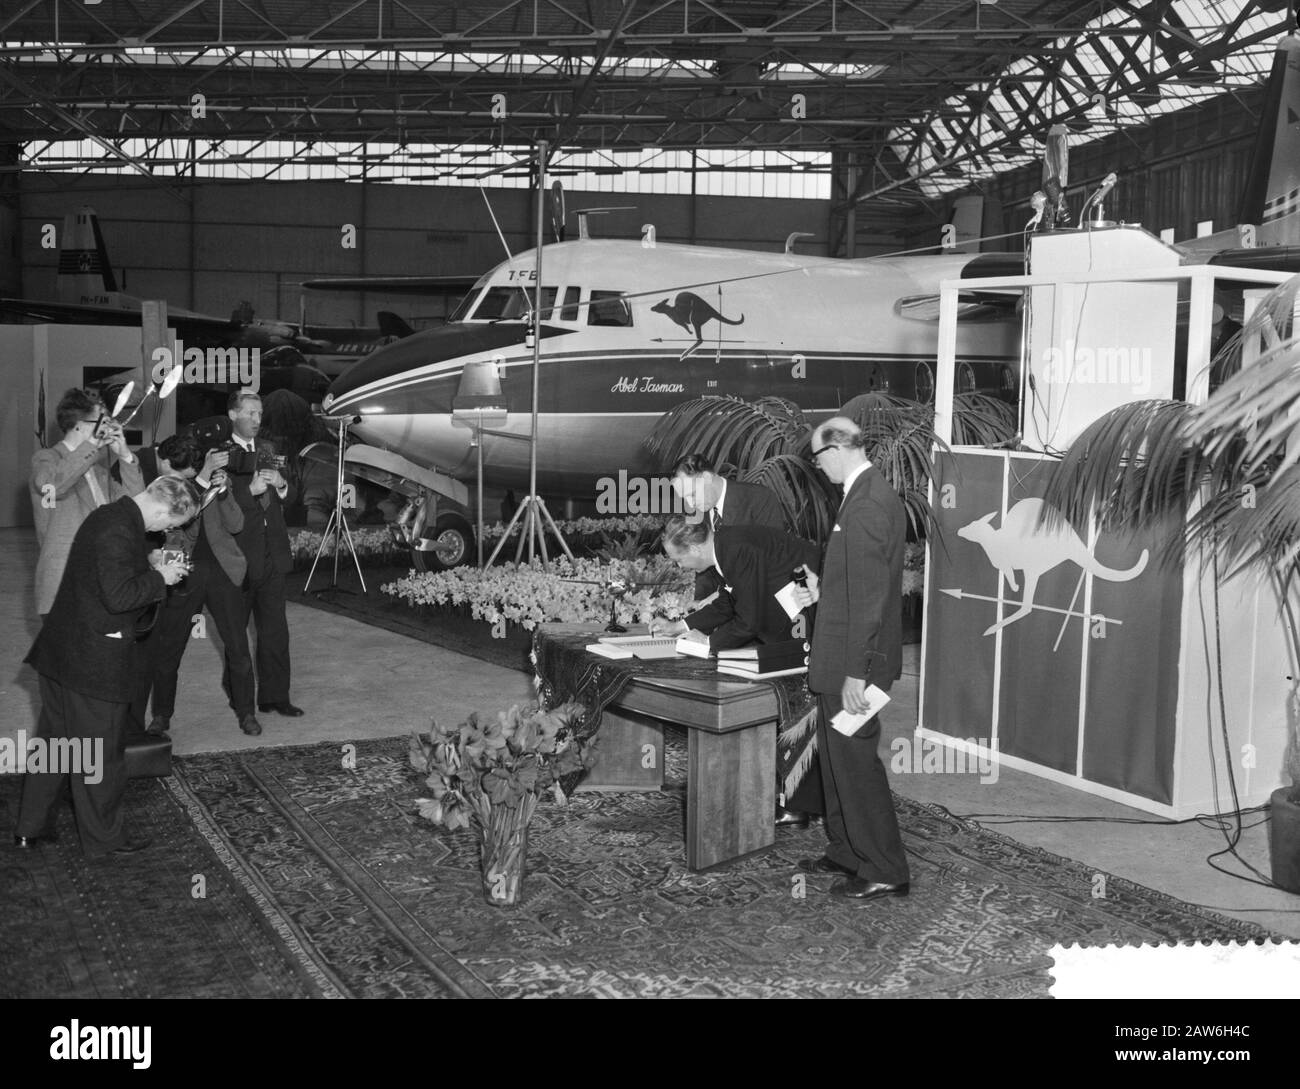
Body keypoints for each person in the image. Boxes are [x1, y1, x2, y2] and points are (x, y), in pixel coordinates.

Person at [13, 477, 194, 856]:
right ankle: (104, 840)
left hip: (62, 654)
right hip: (93, 661)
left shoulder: (112, 517)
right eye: (173, 524)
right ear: (162, 510)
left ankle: (30, 827)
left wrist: (148, 563)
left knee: (56, 745)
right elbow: (118, 596)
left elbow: (107, 574)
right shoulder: (119, 530)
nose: (168, 532)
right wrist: (161, 577)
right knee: (99, 754)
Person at [792, 416, 910, 902]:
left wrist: (856, 674)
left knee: (857, 765)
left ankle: (884, 867)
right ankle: (847, 850)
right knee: (838, 761)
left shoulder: (864, 506)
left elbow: (868, 602)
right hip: (845, 659)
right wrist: (824, 589)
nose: (819, 470)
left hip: (855, 667)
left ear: (836, 451)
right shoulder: (869, 496)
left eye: (818, 459)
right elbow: (861, 585)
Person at [654, 515, 825, 825]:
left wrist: (708, 644)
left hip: (808, 606)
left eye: (678, 559)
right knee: (791, 702)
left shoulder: (736, 550)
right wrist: (681, 626)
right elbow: (732, 603)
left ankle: (801, 804)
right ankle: (800, 800)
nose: (680, 567)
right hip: (788, 607)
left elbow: (748, 620)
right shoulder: (725, 548)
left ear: (693, 548)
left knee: (801, 702)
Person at [143, 453, 245, 737]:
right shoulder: (180, 486)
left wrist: (224, 494)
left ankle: (246, 712)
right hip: (184, 573)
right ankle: (161, 716)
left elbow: (237, 525)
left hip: (222, 573)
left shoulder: (222, 484)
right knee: (169, 648)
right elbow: (181, 525)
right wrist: (201, 482)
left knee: (238, 646)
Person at [222, 389, 301, 728]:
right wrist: (248, 492)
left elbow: (292, 498)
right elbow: (215, 504)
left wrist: (282, 486)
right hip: (239, 559)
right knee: (236, 636)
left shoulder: (268, 451)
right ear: (232, 416)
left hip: (273, 557)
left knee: (275, 633)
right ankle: (240, 699)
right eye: (250, 413)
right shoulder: (219, 456)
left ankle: (276, 697)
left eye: (259, 413)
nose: (257, 420)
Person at [30, 388, 144, 617]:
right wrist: (92, 444)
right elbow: (54, 486)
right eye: (102, 421)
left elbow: (136, 506)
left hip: (100, 583)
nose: (108, 427)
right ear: (81, 425)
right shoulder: (46, 459)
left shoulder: (99, 473)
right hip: (64, 585)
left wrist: (124, 456)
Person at [669, 453, 786, 602]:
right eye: (685, 498)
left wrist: (720, 597)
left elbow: (772, 562)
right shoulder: (697, 513)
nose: (690, 504)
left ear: (706, 477)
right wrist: (699, 605)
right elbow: (704, 565)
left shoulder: (759, 499)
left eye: (692, 494)